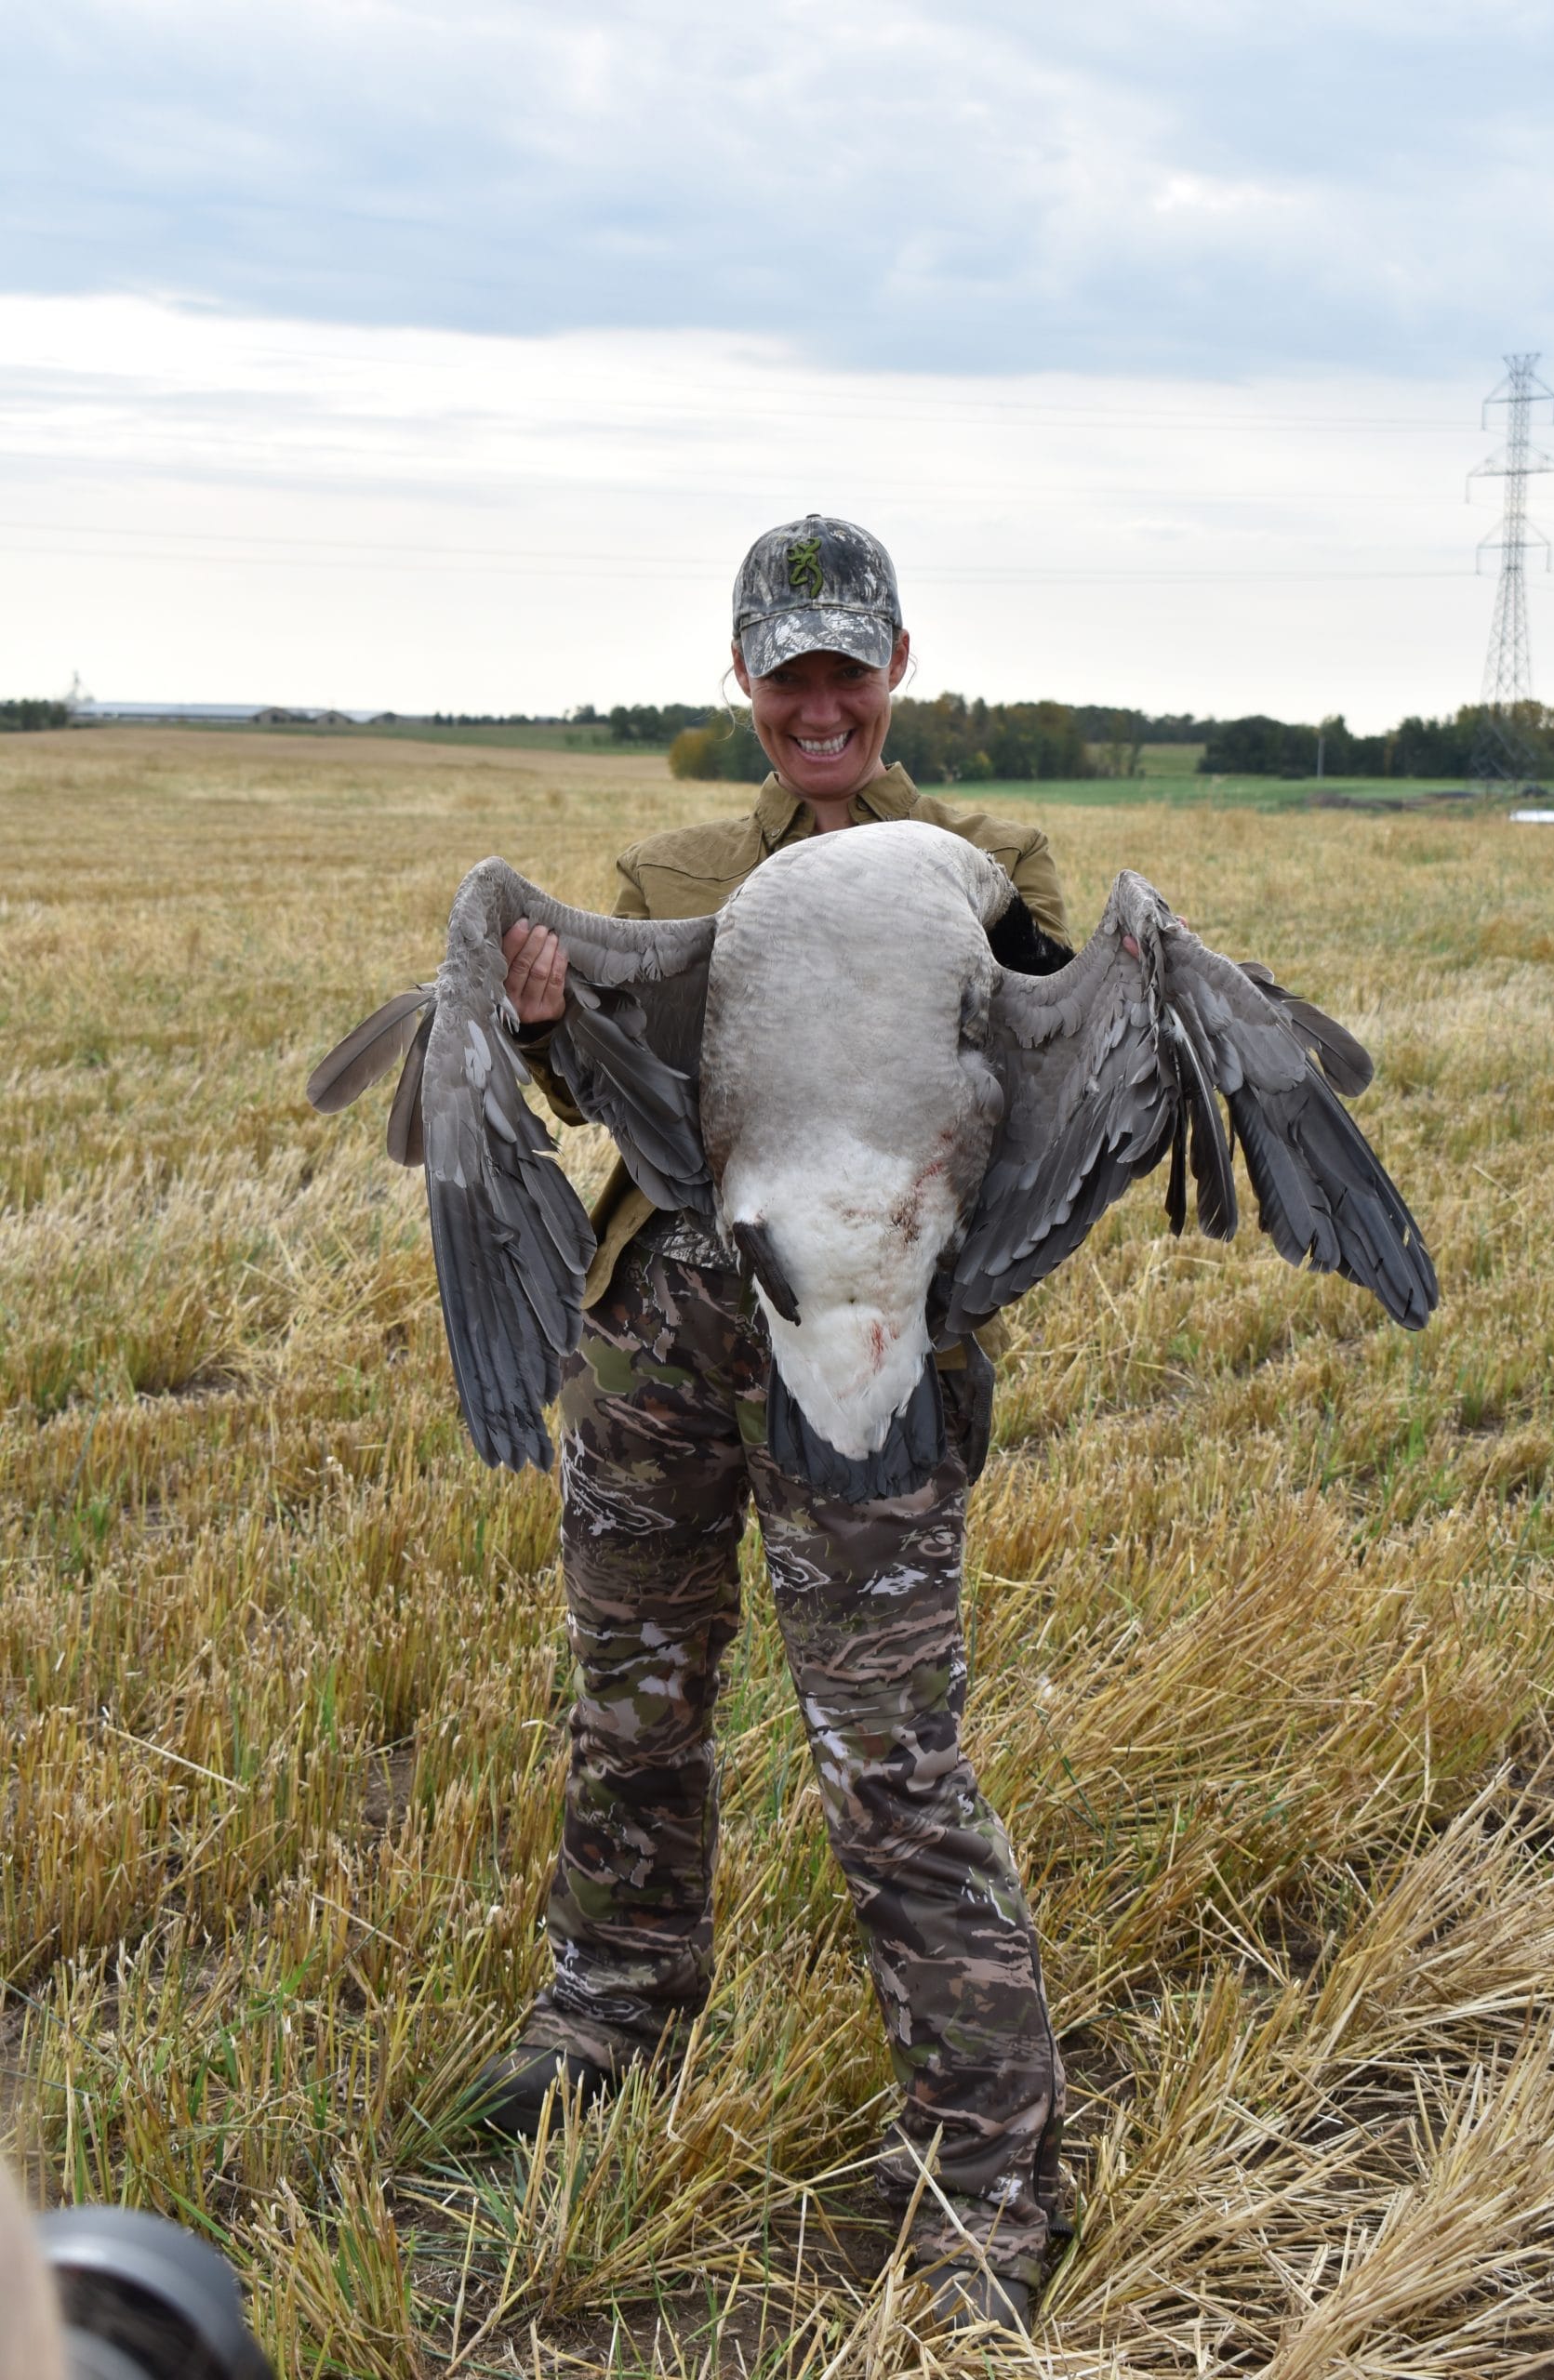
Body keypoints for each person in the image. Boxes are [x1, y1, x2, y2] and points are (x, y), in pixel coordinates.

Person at [471, 515, 1071, 2334]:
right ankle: (605, 2015)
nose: (819, 700)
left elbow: (1033, 1095)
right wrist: (546, 1031)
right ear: (741, 681)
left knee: (884, 1750)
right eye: (786, 670)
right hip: (659, 1325)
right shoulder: (662, 867)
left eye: (848, 668)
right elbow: (619, 1107)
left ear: (897, 671)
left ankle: (986, 2170)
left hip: (860, 1347)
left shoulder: (983, 861)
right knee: (631, 1700)